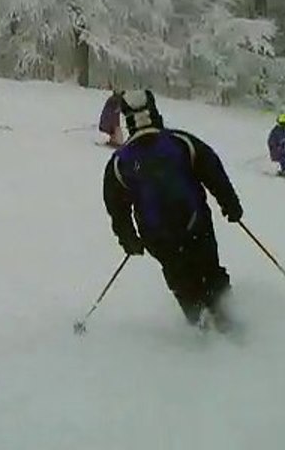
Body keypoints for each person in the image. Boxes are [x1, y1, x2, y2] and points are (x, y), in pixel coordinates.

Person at [102, 90, 244, 330]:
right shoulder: (181, 142)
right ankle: (227, 321)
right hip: (196, 222)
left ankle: (199, 325)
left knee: (180, 278)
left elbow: (117, 208)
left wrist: (129, 239)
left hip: (157, 237)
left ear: (127, 119)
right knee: (210, 269)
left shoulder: (120, 162)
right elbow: (213, 170)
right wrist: (230, 204)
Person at [267, 113, 285, 177]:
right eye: (283, 123)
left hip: (279, 148)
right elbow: (273, 139)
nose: (284, 125)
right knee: (284, 159)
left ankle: (283, 171)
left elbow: (283, 137)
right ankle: (284, 171)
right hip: (276, 149)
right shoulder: (277, 130)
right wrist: (276, 146)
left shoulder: (281, 129)